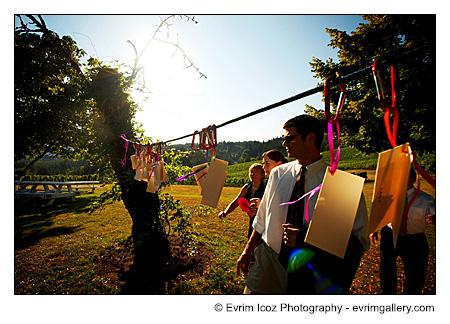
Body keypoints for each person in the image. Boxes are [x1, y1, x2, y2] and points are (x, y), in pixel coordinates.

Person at [237, 114, 369, 294]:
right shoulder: (278, 174)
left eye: (289, 138)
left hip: (311, 270)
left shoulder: (340, 185)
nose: (284, 144)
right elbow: (261, 220)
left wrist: (306, 239)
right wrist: (248, 250)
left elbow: (356, 242)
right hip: (269, 261)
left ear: (310, 138)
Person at [370, 167, 436, 294]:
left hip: (415, 240)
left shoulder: (426, 199)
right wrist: (375, 229)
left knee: (415, 275)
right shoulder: (389, 196)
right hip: (390, 235)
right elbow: (381, 213)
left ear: (412, 179)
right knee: (386, 269)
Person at [219, 163, 266, 239]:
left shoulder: (266, 189)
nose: (252, 174)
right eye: (251, 172)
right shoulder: (247, 188)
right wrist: (225, 213)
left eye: (256, 172)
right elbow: (236, 201)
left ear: (262, 175)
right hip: (252, 222)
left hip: (263, 222)